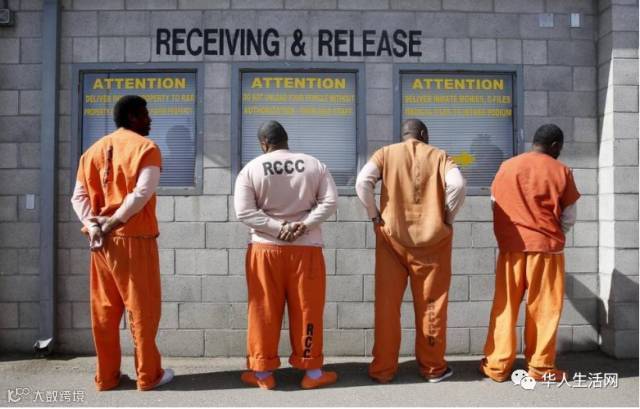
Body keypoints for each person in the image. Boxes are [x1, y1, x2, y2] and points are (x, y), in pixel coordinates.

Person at [71, 95, 173, 391]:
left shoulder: (92, 151)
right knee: (142, 310)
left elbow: (78, 197)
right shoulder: (146, 148)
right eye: (145, 114)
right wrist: (114, 221)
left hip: (100, 243)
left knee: (104, 311)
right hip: (134, 238)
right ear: (131, 117)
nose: (150, 119)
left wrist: (94, 225)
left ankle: (107, 377)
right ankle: (148, 375)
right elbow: (141, 194)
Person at [355, 118, 466, 383]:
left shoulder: (385, 154)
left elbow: (362, 182)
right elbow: (458, 185)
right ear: (424, 134)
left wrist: (374, 215)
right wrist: (447, 218)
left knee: (387, 307)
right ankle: (433, 368)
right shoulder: (440, 156)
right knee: (431, 305)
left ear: (404, 134)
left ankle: (383, 369)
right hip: (432, 243)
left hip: (391, 239)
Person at [234, 120, 339, 390]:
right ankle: (312, 372)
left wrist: (277, 229)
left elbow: (244, 212)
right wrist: (305, 225)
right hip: (306, 248)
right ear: (286, 139)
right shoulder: (314, 165)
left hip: (265, 249)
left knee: (263, 309)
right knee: (307, 307)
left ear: (264, 143)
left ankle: (262, 374)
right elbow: (330, 201)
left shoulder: (251, 169)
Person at [479, 123, 580, 382]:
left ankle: (497, 365)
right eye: (560, 147)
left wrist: (508, 235)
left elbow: (495, 204)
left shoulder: (507, 167)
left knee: (505, 306)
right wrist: (553, 234)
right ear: (555, 145)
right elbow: (569, 216)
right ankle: (540, 367)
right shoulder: (561, 171)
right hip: (546, 250)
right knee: (544, 309)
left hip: (511, 249)